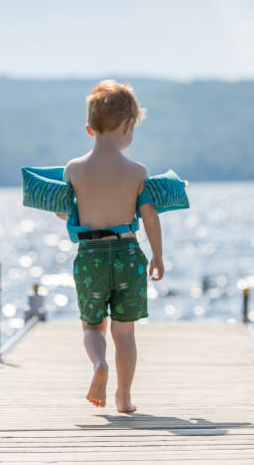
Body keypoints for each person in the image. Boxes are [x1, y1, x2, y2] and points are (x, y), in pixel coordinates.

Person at [56, 79, 163, 414]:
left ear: (89, 129)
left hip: (90, 256)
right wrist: (158, 256)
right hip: (128, 254)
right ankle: (124, 397)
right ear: (128, 126)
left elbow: (63, 211)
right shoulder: (136, 171)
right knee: (125, 333)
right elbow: (149, 217)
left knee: (92, 325)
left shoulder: (73, 169)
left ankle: (99, 363)